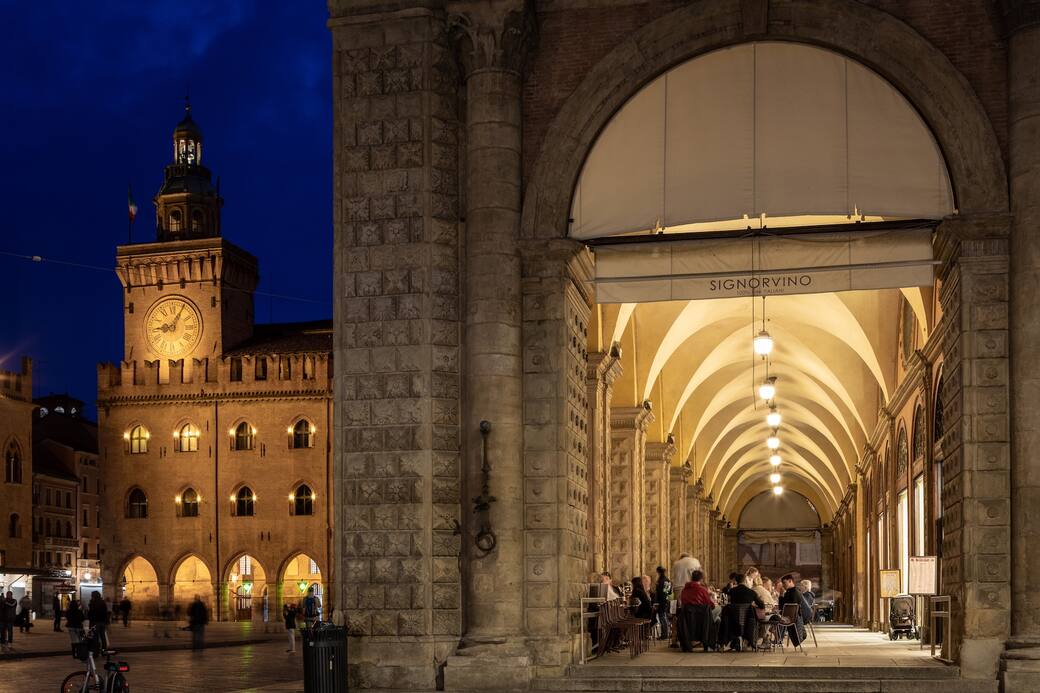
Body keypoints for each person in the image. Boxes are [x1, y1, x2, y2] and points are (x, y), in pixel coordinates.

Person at [653, 566, 672, 640]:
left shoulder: (661, 580)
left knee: (662, 618)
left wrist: (657, 601)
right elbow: (669, 592)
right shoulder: (667, 580)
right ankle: (665, 634)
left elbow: (659, 592)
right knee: (664, 618)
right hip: (666, 600)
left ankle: (664, 635)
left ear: (658, 572)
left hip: (661, 601)